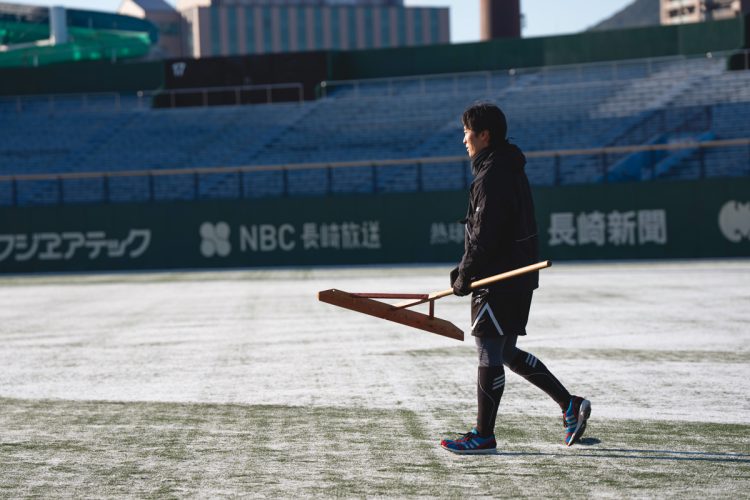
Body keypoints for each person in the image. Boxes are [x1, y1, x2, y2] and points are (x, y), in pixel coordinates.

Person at [440, 103, 590, 454]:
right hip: (516, 277)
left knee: (488, 352)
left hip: (498, 279)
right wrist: (463, 272)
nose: (464, 139)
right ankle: (570, 404)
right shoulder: (506, 167)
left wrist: (464, 275)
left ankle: (483, 435)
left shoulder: (492, 175)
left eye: (468, 132)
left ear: (484, 135)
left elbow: (484, 236)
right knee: (504, 351)